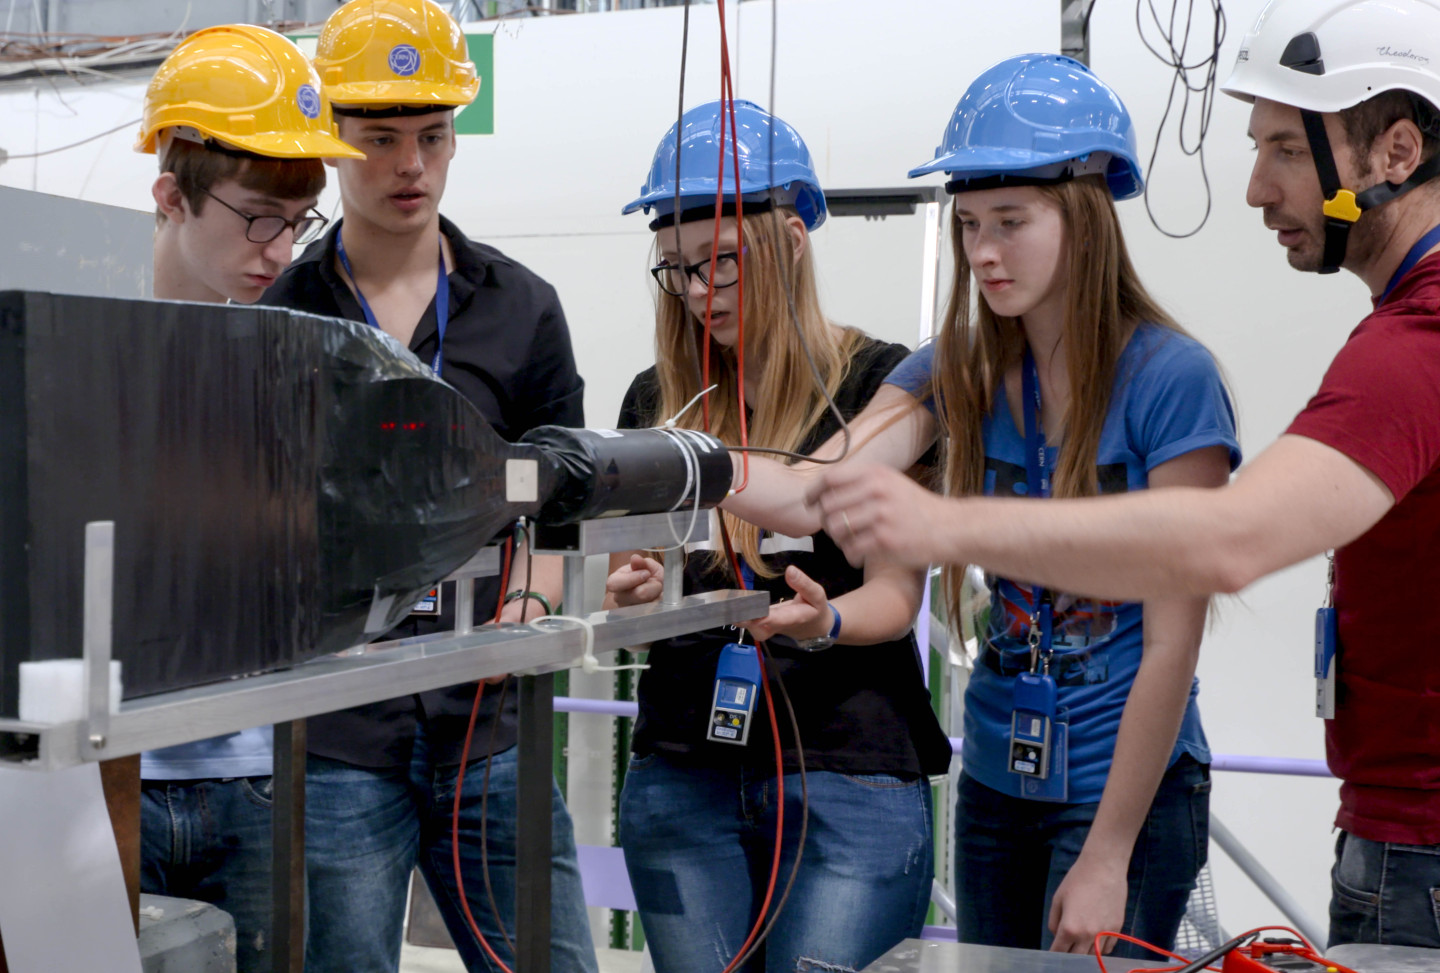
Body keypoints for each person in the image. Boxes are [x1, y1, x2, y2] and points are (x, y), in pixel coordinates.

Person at [803, 0, 1440, 952]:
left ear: (1394, 153)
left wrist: (944, 527)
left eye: (1286, 151)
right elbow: (812, 481)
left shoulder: (1405, 347)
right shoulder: (963, 364)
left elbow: (1227, 543)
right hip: (1384, 823)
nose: (1258, 188)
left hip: (1414, 842)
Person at [725, 55, 1242, 956]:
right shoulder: (954, 365)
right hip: (998, 781)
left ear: (1084, 215)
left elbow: (1172, 643)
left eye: (1011, 222)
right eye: (968, 226)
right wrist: (682, 465)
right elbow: (813, 489)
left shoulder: (1172, 380)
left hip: (1123, 791)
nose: (984, 253)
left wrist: (1110, 851)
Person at [259, 2, 596, 971]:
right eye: (380, 140)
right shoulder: (284, 316)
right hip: (336, 728)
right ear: (332, 140)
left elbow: (557, 495)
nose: (411, 165)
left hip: (488, 716)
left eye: (433, 138)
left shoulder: (521, 307)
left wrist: (533, 594)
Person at [603, 100, 953, 973]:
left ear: (791, 240)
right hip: (684, 770)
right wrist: (632, 587)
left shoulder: (883, 390)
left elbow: (894, 596)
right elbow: (630, 565)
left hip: (845, 770)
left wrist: (824, 620)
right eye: (676, 270)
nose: (697, 292)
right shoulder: (657, 402)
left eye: (720, 262)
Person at [134, 23, 361, 972]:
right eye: (258, 215)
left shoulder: (298, 371)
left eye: (297, 220)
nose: (279, 247)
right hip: (111, 776)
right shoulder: (70, 362)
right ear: (170, 197)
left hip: (258, 774)